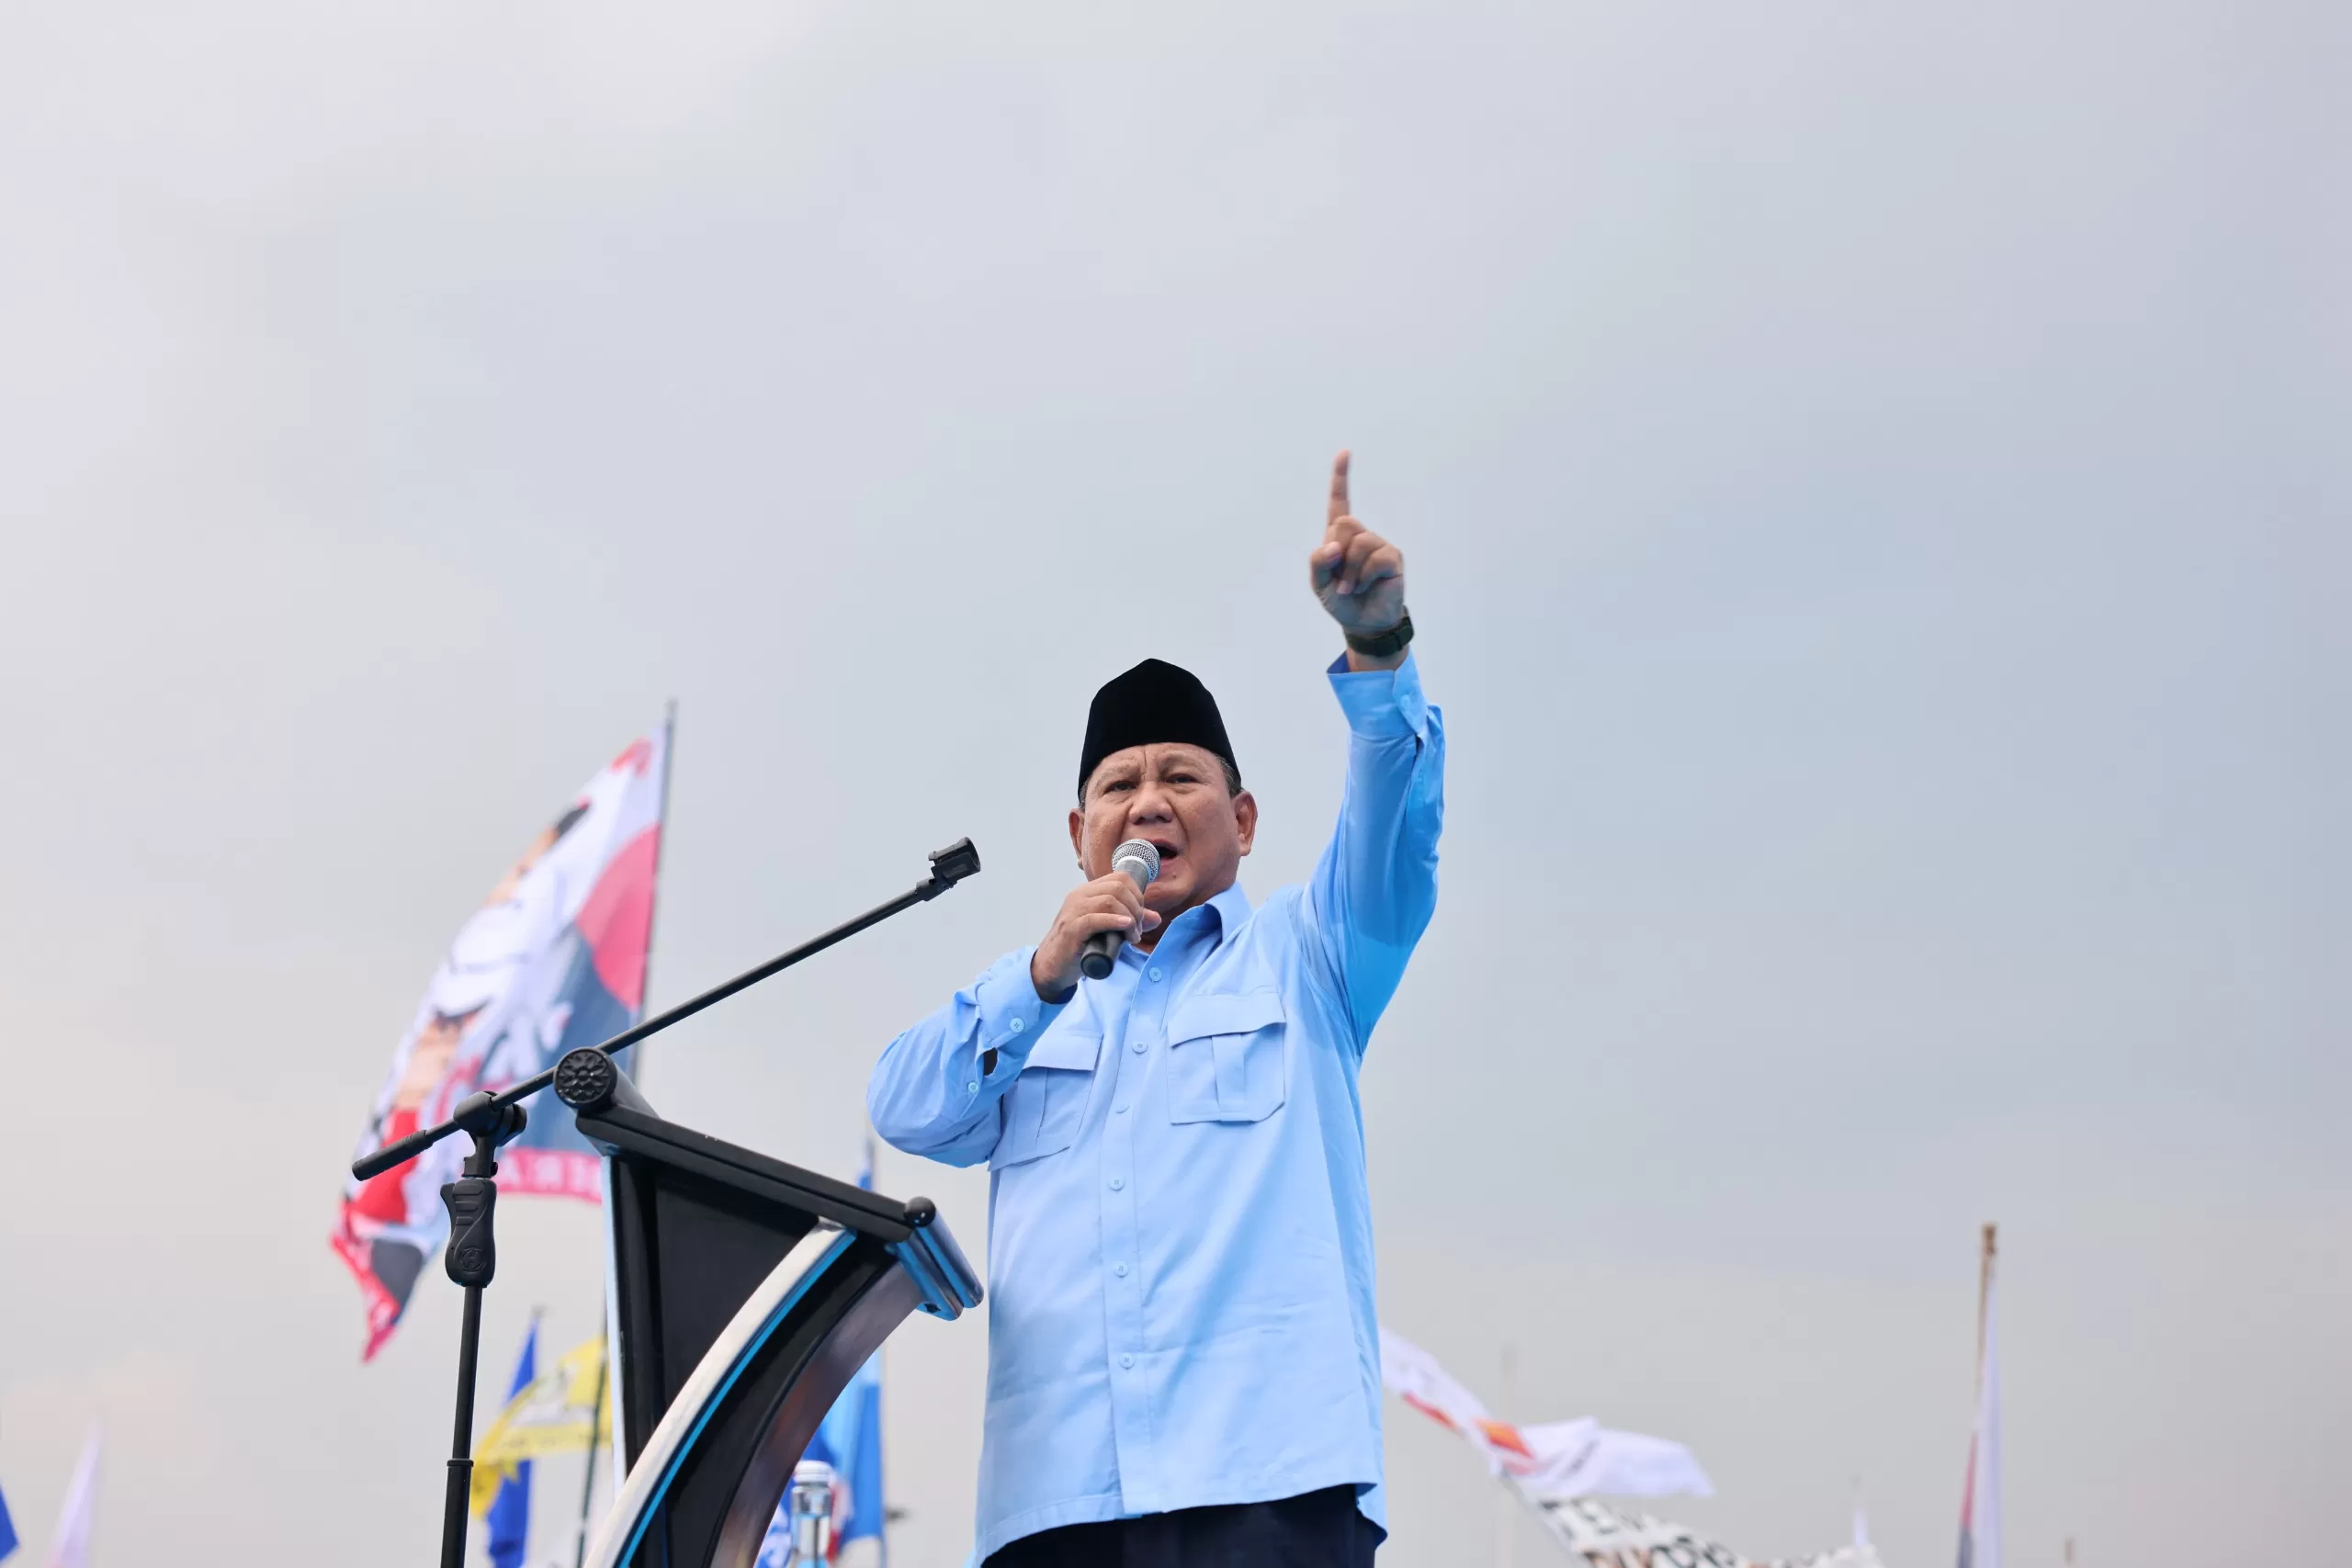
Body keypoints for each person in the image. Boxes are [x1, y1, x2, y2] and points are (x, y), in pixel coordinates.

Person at [868, 452, 1444, 1566]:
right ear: (1076, 833)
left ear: (1242, 816)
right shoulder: (1037, 999)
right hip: (1059, 1498)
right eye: (1118, 786)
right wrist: (1037, 976)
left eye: (1180, 777)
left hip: (1270, 1486)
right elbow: (905, 1108)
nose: (1147, 801)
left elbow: (1394, 830)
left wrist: (1378, 647)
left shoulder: (1307, 955)